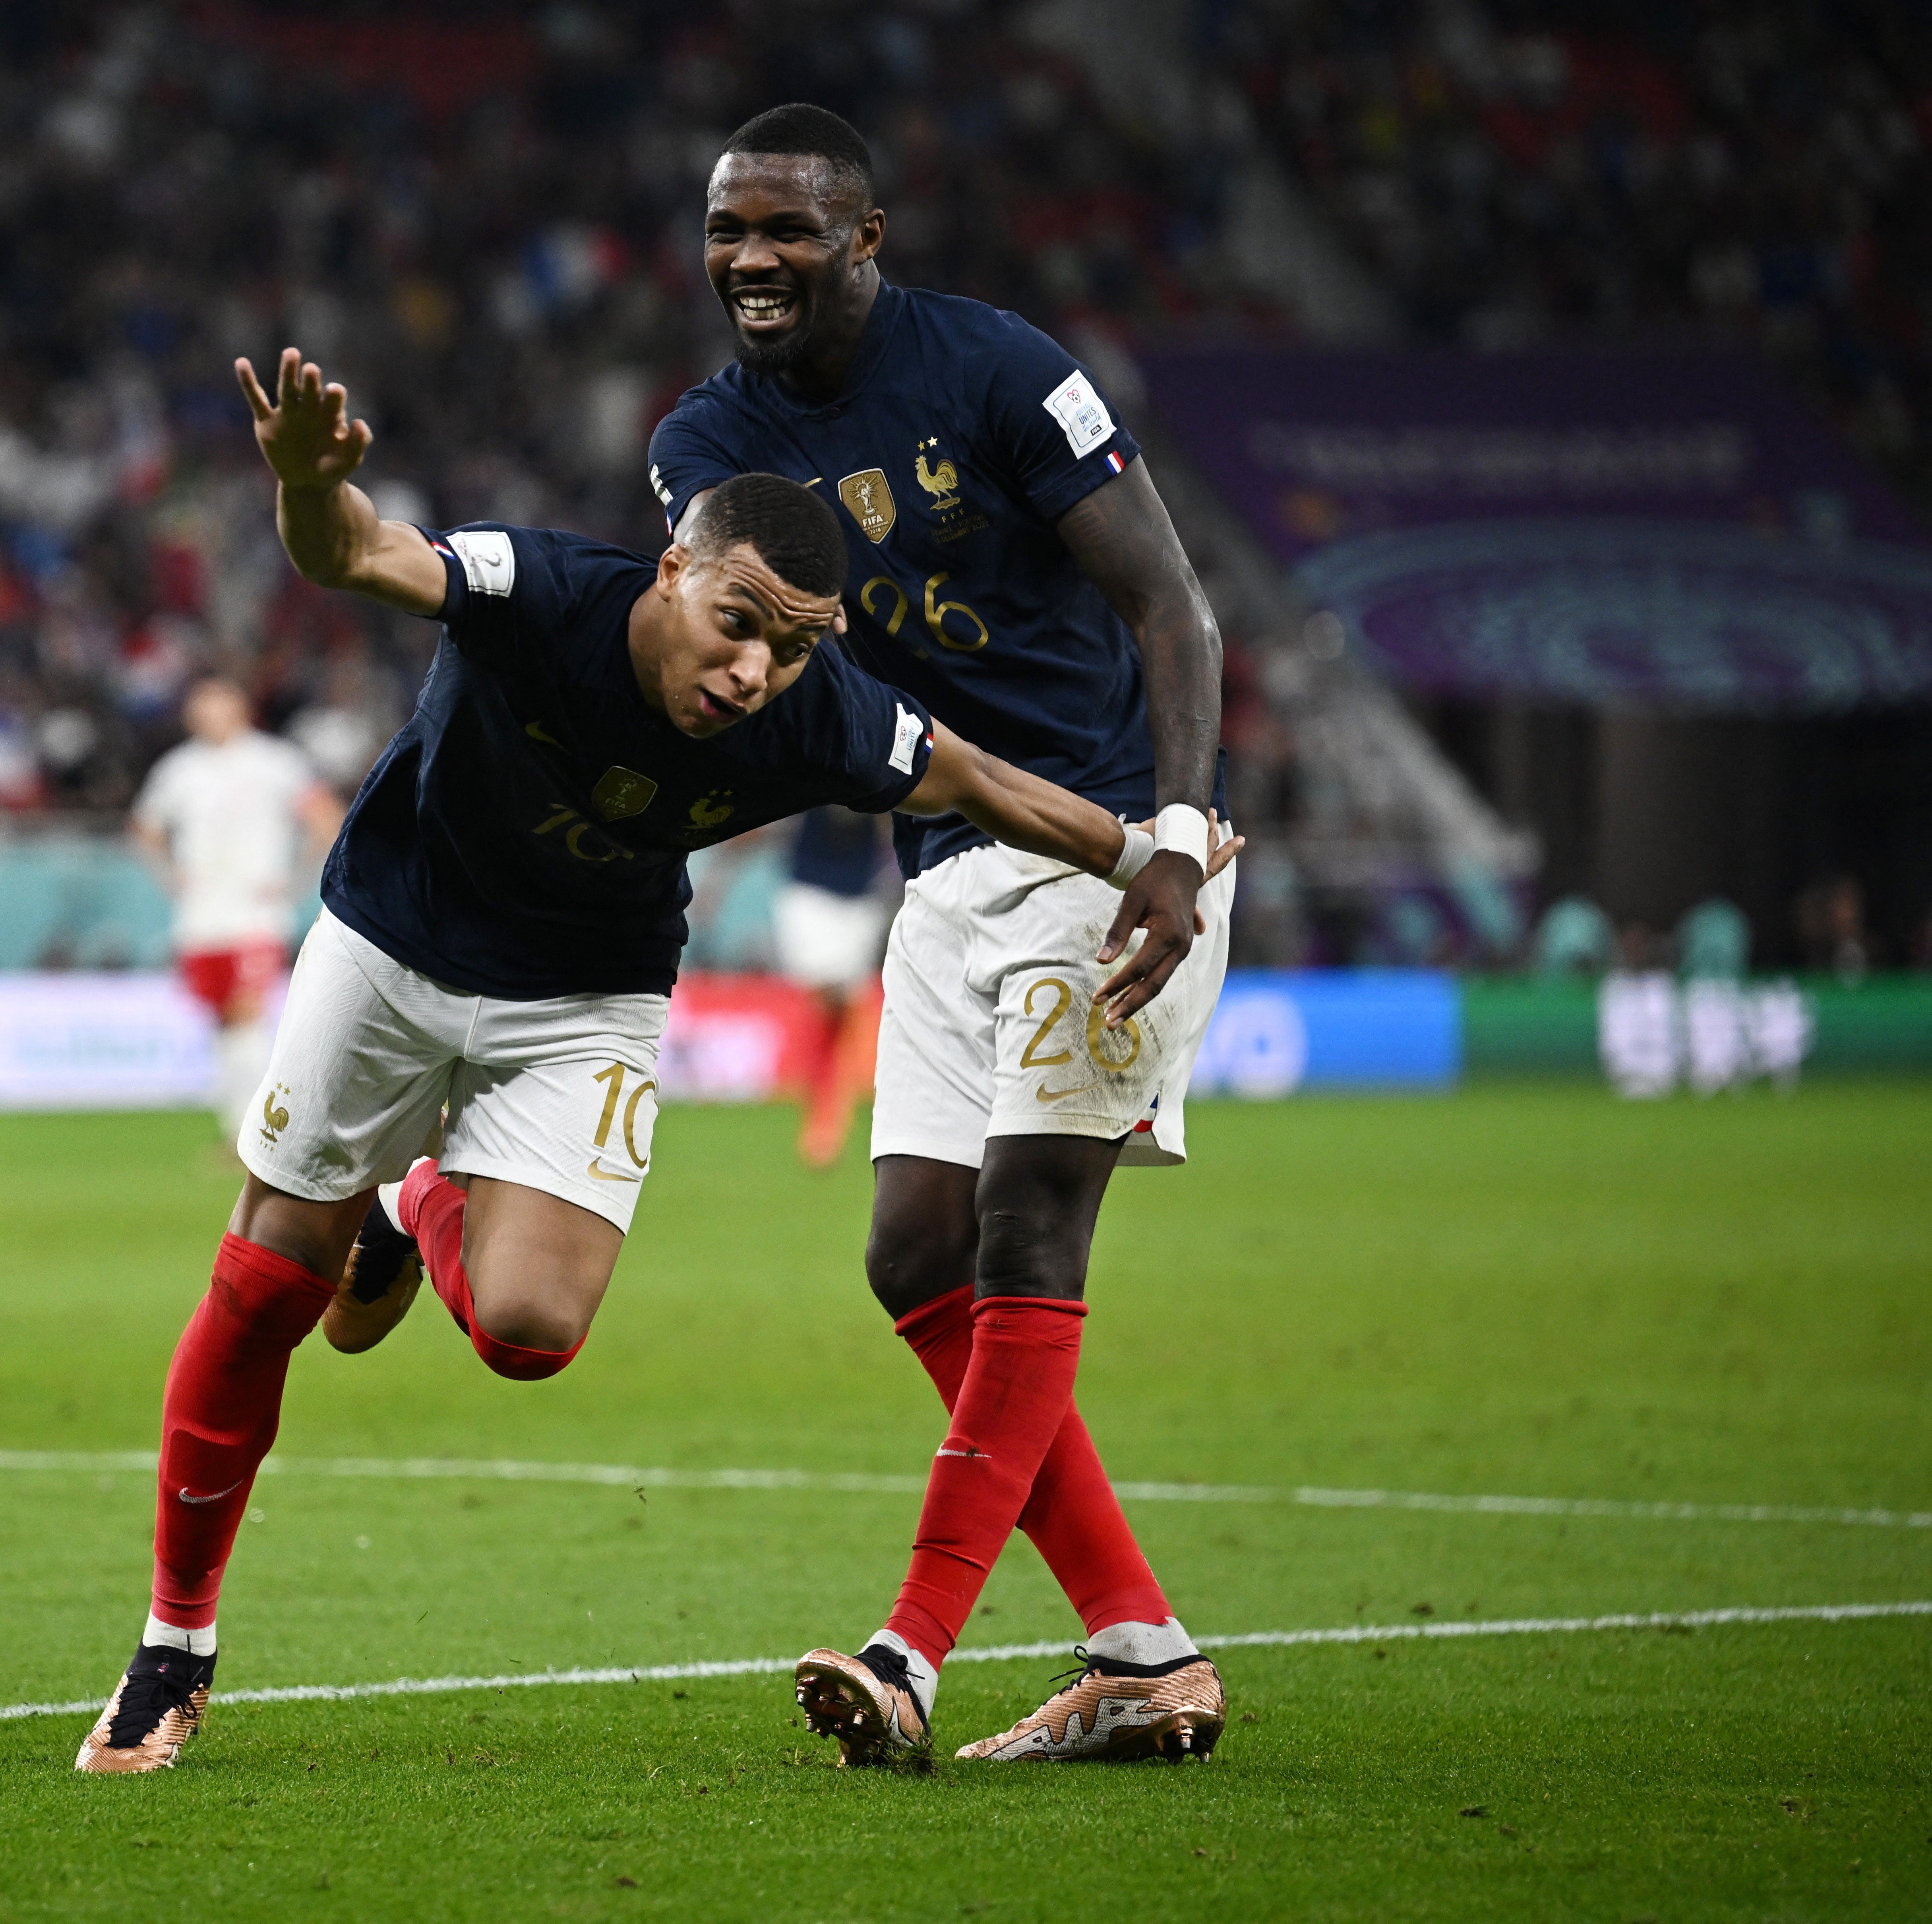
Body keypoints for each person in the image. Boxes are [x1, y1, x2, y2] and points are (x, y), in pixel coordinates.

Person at [70, 348, 1234, 1773]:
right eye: (739, 623)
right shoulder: (538, 590)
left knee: (529, 1332)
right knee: (268, 1287)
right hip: (392, 948)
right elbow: (363, 553)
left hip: (588, 994)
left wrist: (1151, 854)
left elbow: (976, 781)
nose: (758, 671)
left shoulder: (816, 710)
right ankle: (171, 1651)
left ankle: (412, 1196)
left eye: (796, 646)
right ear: (672, 569)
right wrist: (313, 489)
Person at [648, 104, 1238, 1766]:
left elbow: (1168, 608)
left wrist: (1174, 845)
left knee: (1025, 1223)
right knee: (911, 1252)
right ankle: (1143, 1649)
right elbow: (752, 660)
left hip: (1104, 849)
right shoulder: (700, 440)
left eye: (784, 228)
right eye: (724, 230)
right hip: (939, 863)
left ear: (863, 239)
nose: (749, 258)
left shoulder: (996, 373)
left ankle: (909, 1650)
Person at [129, 678, 343, 1139]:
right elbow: (144, 827)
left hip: (254, 914)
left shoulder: (274, 762)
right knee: (224, 1022)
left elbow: (327, 818)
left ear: (241, 709)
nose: (210, 716)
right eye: (202, 708)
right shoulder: (180, 769)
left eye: (219, 706)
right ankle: (238, 1128)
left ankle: (258, 1132)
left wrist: (297, 880)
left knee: (247, 1016)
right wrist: (173, 877)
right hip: (201, 918)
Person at [774, 806, 893, 1166]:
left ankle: (829, 1112)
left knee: (848, 1007)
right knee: (824, 999)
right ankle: (821, 1112)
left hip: (859, 897)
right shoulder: (815, 756)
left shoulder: (879, 762)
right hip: (810, 890)